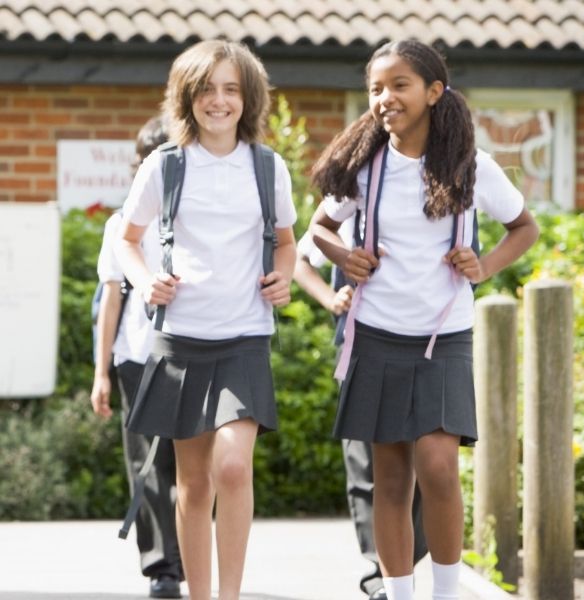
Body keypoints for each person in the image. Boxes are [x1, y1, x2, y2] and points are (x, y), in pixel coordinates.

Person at [309, 40, 539, 600]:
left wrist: (482, 267)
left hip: (443, 335)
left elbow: (525, 228)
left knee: (437, 468)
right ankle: (399, 593)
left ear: (435, 92)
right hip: (378, 335)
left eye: (399, 85)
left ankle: (444, 594)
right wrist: (344, 257)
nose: (385, 98)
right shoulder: (364, 168)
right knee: (389, 479)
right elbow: (318, 227)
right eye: (376, 88)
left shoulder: (471, 166)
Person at [115, 40, 296, 600]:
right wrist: (146, 281)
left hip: (243, 339)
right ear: (187, 97)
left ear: (249, 97)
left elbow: (286, 242)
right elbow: (127, 239)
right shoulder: (163, 166)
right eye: (206, 89)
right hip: (180, 343)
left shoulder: (268, 168)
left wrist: (283, 277)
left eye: (230, 89)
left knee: (234, 468)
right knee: (192, 484)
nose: (218, 101)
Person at [294, 225, 427, 600]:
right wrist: (330, 298)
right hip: (357, 346)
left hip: (420, 343)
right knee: (366, 462)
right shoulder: (348, 199)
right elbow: (300, 260)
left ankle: (404, 562)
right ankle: (378, 572)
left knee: (421, 464)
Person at [91, 114, 183, 599]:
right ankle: (162, 569)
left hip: (193, 354)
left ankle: (187, 557)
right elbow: (111, 298)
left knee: (190, 462)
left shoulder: (202, 218)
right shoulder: (120, 223)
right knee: (145, 464)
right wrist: (100, 371)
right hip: (136, 359)